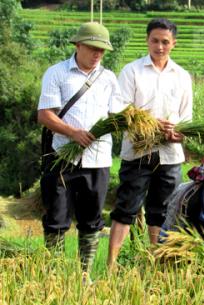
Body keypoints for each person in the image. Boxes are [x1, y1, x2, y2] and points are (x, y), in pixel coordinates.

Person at [37, 22, 124, 280]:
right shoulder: (57, 73)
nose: (97, 54)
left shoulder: (108, 78)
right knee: (56, 217)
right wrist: (72, 132)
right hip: (61, 157)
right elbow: (44, 115)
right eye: (92, 47)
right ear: (78, 45)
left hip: (98, 160)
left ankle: (84, 274)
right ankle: (52, 276)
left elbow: (116, 116)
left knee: (91, 220)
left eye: (102, 50)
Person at [107, 18, 193, 268]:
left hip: (170, 154)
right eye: (155, 40)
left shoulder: (182, 76)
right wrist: (149, 122)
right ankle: (111, 266)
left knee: (162, 211)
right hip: (137, 151)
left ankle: (156, 263)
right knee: (126, 208)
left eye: (165, 42)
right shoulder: (132, 71)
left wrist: (179, 133)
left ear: (173, 44)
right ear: (147, 40)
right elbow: (118, 108)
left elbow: (186, 117)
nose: (160, 46)